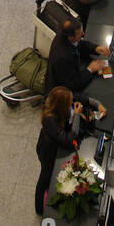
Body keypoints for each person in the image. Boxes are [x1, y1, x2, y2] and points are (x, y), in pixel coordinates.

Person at [34, 87, 83, 216]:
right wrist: (76, 116)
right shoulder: (50, 119)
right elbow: (67, 140)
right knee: (45, 177)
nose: (71, 105)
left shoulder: (56, 110)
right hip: (47, 153)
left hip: (51, 148)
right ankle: (39, 208)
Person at [44, 19, 110, 107]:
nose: (83, 34)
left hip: (69, 74)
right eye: (80, 33)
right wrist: (90, 69)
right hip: (62, 94)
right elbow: (73, 84)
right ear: (70, 37)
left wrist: (95, 48)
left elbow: (78, 44)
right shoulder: (63, 57)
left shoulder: (64, 35)